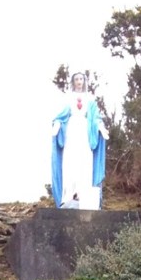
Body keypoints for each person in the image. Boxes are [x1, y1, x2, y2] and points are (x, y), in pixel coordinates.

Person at [51, 72, 108, 210]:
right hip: (71, 132)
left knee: (85, 162)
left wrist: (101, 128)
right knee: (70, 162)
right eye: (76, 79)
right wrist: (57, 125)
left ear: (84, 81)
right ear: (73, 81)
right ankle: (68, 196)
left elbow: (95, 117)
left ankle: (83, 195)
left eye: (81, 79)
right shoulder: (68, 98)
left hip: (85, 133)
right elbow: (61, 115)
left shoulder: (90, 99)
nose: (79, 81)